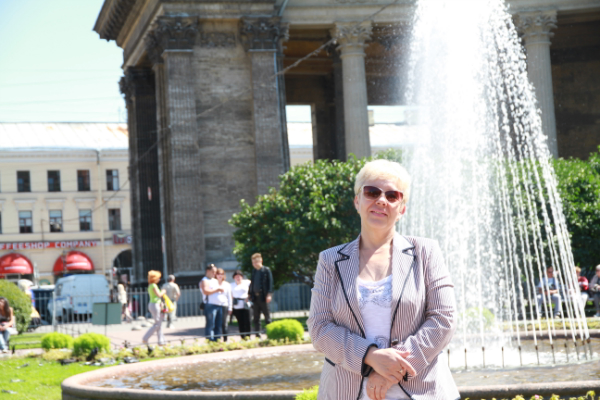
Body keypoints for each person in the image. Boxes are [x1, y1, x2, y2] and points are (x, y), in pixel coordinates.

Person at [307, 159, 458, 400]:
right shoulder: (330, 260)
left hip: (421, 391)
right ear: (357, 201)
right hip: (347, 392)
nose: (381, 200)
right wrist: (371, 357)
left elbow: (444, 319)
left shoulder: (426, 252)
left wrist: (391, 371)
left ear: (402, 209)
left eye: (392, 195)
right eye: (372, 192)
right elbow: (319, 327)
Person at [249, 253, 273, 337]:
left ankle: (270, 334)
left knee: (267, 317)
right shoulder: (254, 271)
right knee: (256, 318)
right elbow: (252, 283)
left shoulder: (266, 270)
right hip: (255, 297)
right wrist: (250, 294)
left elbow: (270, 284)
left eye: (256, 262)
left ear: (261, 261)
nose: (254, 264)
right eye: (253, 263)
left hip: (263, 297)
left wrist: (269, 294)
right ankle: (257, 335)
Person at [200, 264, 224, 341]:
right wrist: (217, 290)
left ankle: (217, 339)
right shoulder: (205, 280)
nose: (214, 273)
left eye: (215, 272)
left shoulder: (215, 280)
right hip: (210, 305)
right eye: (213, 272)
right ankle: (210, 340)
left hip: (218, 304)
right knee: (211, 324)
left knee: (218, 324)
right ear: (208, 271)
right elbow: (206, 291)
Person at [142, 270, 166, 346]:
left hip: (154, 304)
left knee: (159, 324)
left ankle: (161, 341)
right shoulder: (153, 285)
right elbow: (159, 295)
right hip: (155, 305)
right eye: (158, 278)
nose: (159, 279)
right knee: (157, 324)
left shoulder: (150, 285)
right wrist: (163, 291)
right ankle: (145, 338)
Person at [231, 270, 252, 339]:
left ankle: (248, 337)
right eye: (236, 276)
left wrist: (249, 297)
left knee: (248, 321)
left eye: (239, 276)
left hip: (246, 304)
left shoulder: (247, 282)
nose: (238, 278)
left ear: (242, 277)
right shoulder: (231, 285)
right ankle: (243, 337)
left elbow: (251, 290)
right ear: (234, 278)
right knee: (240, 322)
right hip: (237, 305)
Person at [215, 268, 232, 341]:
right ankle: (216, 339)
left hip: (224, 305)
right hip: (215, 305)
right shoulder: (213, 283)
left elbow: (229, 297)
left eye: (221, 274)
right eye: (218, 274)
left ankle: (225, 339)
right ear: (216, 275)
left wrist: (230, 307)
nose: (220, 276)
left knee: (224, 323)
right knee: (215, 323)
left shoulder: (227, 284)